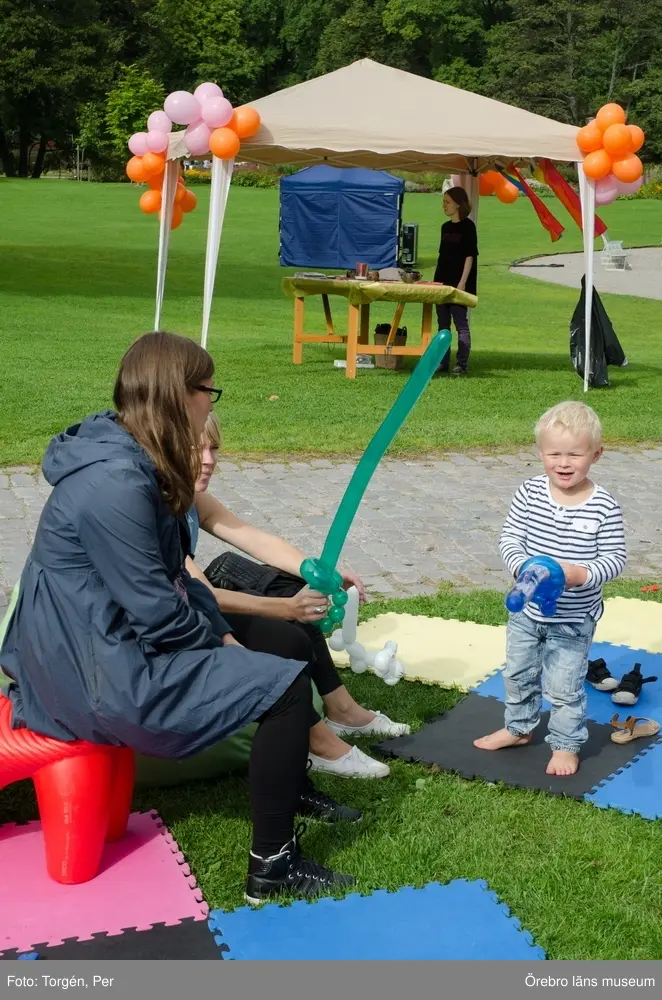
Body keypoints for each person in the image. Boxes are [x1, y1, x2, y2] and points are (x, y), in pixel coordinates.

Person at [0, 331, 357, 904]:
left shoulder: (133, 459)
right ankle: (273, 866)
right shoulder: (115, 482)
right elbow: (157, 607)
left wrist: (220, 630)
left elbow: (176, 582)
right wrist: (226, 651)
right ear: (180, 394)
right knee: (285, 684)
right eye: (209, 391)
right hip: (88, 674)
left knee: (286, 648)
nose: (212, 404)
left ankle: (287, 788)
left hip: (99, 647)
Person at [185, 412, 410, 784]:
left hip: (198, 605)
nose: (209, 459)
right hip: (171, 623)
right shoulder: (154, 510)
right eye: (197, 448)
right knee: (287, 626)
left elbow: (257, 540)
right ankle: (318, 742)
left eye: (214, 448)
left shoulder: (195, 500)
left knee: (289, 585)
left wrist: (321, 574)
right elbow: (202, 595)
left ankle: (341, 709)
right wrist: (288, 608)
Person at [474, 402, 626, 776]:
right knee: (518, 673)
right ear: (540, 453)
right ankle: (519, 728)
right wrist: (521, 566)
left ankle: (565, 744)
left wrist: (582, 574)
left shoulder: (603, 507)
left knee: (563, 686)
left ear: (596, 454)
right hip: (528, 611)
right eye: (554, 453)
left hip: (573, 618)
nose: (563, 462)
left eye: (575, 454)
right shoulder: (529, 493)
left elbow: (615, 559)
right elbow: (510, 538)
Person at [433, 186, 478, 375]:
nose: (444, 205)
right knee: (443, 325)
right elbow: (442, 257)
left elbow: (470, 256)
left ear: (458, 204)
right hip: (441, 282)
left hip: (460, 283)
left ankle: (461, 364)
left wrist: (462, 282)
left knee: (460, 325)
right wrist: (435, 283)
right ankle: (442, 362)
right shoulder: (445, 227)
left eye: (447, 202)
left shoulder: (468, 227)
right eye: (443, 201)